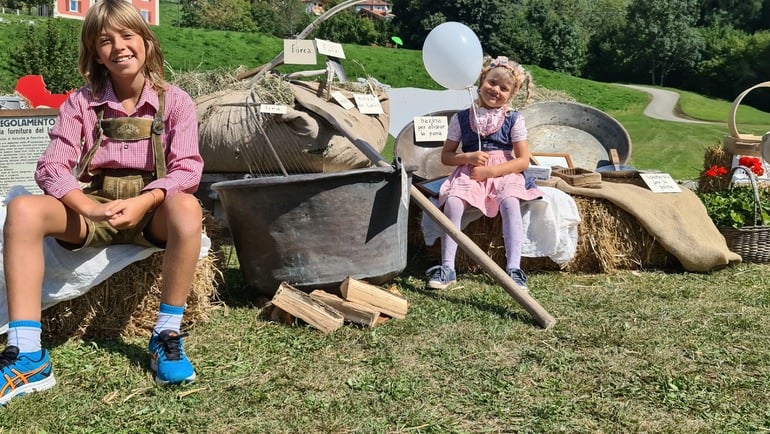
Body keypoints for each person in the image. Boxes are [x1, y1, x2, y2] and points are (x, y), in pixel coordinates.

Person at [0, 0, 204, 404]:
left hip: (151, 212)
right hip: (94, 205)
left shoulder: (175, 101)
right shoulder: (81, 102)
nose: (119, 47)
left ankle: (166, 334)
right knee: (23, 209)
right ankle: (28, 354)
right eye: (105, 40)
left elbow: (188, 169)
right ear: (95, 52)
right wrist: (89, 207)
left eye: (128, 35)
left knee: (187, 208)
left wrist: (147, 200)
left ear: (146, 41)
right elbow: (51, 168)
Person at [425, 56, 541, 291]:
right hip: (472, 170)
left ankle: (514, 268)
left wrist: (491, 171)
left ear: (511, 94)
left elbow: (522, 160)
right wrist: (467, 158)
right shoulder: (461, 118)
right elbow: (446, 156)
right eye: (492, 82)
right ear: (481, 81)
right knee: (454, 202)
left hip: (503, 171)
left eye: (504, 88)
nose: (495, 90)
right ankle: (447, 267)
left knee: (509, 203)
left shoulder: (513, 119)